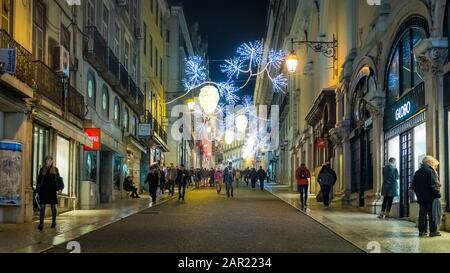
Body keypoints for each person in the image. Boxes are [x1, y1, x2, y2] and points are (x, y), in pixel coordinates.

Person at [412, 156, 442, 237]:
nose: (434, 166)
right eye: (434, 164)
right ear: (429, 162)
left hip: (421, 198)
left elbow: (414, 186)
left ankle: (422, 232)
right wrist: (438, 194)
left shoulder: (417, 172)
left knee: (422, 215)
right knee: (432, 214)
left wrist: (419, 195)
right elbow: (432, 185)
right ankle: (433, 232)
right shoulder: (430, 172)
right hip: (430, 197)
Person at [36, 156, 62, 231]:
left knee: (53, 206)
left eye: (50, 160)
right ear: (45, 161)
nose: (48, 162)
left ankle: (54, 222)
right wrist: (37, 191)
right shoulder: (42, 170)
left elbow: (58, 179)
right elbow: (39, 181)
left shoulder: (55, 170)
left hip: (52, 191)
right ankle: (41, 224)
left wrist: (59, 188)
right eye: (47, 160)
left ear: (52, 161)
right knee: (42, 207)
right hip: (43, 191)